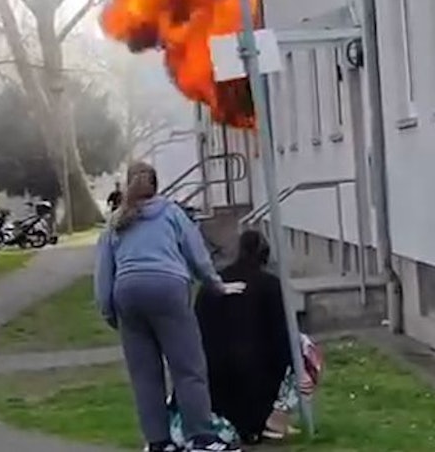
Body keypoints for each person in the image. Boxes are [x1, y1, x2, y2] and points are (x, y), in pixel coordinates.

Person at [94, 161, 238, 452]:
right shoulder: (172, 214)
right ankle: (201, 437)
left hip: (128, 295)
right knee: (188, 367)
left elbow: (103, 272)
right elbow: (196, 255)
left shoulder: (116, 222)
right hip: (168, 290)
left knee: (145, 374)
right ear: (157, 185)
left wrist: (110, 312)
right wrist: (217, 285)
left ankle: (158, 442)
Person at [193, 230, 291, 445]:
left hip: (215, 377)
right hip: (256, 377)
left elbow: (197, 328)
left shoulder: (213, 284)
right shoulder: (269, 285)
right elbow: (281, 336)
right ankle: (266, 424)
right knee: (302, 349)